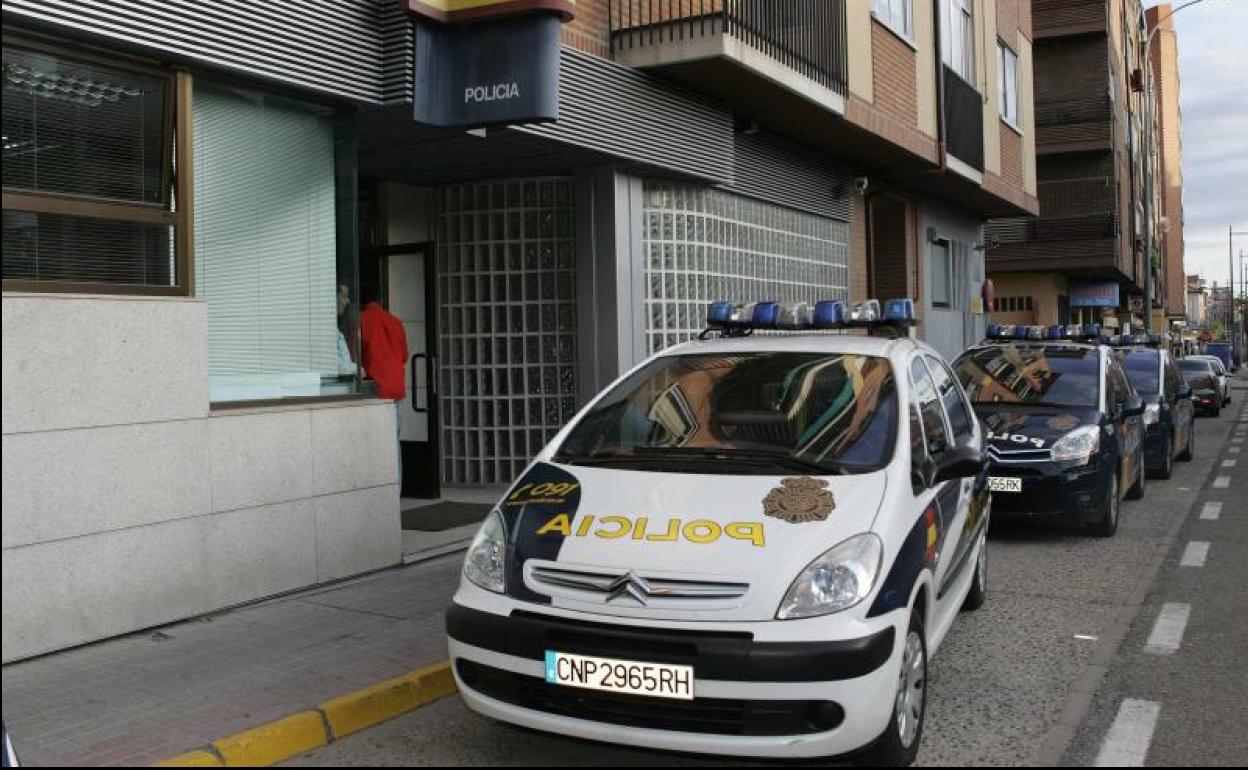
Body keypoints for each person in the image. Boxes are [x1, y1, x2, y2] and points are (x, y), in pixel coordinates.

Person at [359, 286, 409, 477]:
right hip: (396, 389)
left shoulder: (361, 320)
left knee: (376, 446)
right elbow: (404, 355)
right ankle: (395, 493)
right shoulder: (395, 321)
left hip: (376, 390)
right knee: (393, 444)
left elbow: (356, 357)